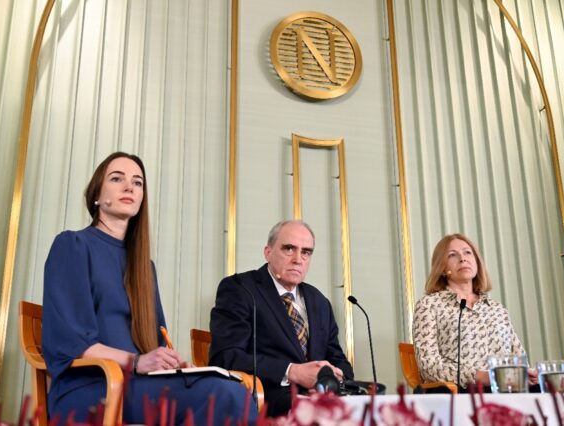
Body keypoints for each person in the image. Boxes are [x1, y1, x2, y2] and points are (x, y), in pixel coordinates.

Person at [42, 152, 256, 424]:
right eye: (117, 178)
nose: (129, 186)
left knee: (236, 392)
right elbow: (69, 342)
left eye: (138, 182)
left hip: (138, 384)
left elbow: (154, 342)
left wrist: (171, 364)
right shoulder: (73, 246)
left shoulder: (145, 267)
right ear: (97, 194)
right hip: (89, 387)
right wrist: (135, 361)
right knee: (224, 395)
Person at [209, 220, 353, 417]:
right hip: (268, 397)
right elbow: (226, 356)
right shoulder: (240, 289)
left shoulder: (319, 301)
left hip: (319, 397)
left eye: (306, 252)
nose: (298, 259)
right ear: (268, 252)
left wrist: (329, 381)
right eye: (289, 249)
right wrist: (293, 372)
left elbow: (338, 360)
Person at [412, 233, 538, 392]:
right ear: (442, 268)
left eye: (467, 252)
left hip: (507, 388)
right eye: (452, 255)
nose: (463, 258)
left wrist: (528, 373)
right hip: (461, 391)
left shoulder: (497, 309)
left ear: (477, 262)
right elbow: (429, 368)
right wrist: (483, 376)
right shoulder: (429, 305)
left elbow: (519, 359)